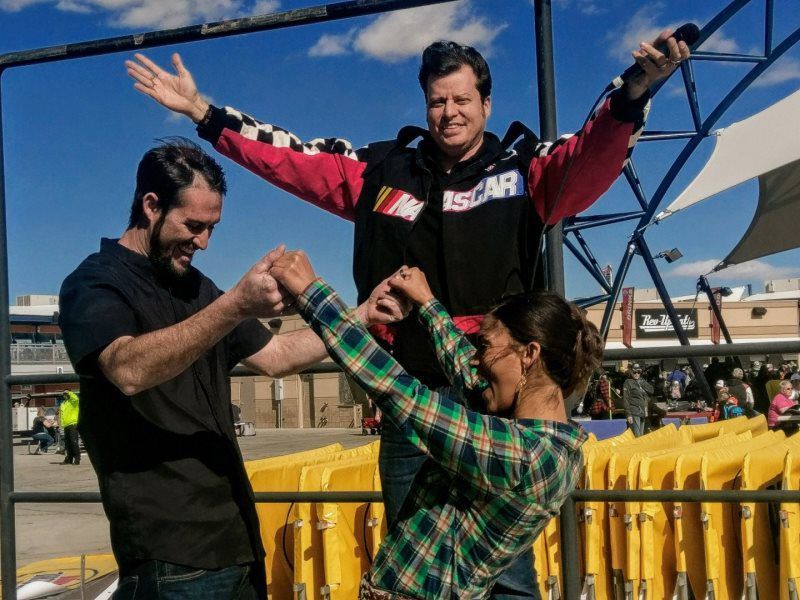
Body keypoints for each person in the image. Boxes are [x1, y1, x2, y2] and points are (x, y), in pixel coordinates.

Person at [126, 34, 688, 596]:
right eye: (438, 102)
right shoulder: (381, 170)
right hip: (412, 385)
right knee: (414, 550)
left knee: (505, 573)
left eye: (462, 100)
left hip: (493, 396)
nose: (449, 114)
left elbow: (591, 151)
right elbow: (290, 156)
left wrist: (634, 90)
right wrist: (203, 113)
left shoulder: (524, 167)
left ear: (487, 105)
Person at [58, 139, 404, 599]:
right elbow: (127, 369)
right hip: (168, 550)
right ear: (151, 205)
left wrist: (359, 315)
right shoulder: (96, 283)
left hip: (236, 535)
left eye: (212, 228)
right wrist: (235, 305)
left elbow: (277, 355)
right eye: (193, 225)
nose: (203, 242)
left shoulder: (196, 288)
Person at [268, 251, 602, 599]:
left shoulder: (525, 456)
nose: (475, 357)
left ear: (529, 354)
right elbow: (465, 368)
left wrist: (312, 293)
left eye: (484, 345)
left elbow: (403, 395)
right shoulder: (540, 439)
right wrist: (427, 303)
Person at [623, 364, 653, 436]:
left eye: (638, 372)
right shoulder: (628, 382)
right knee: (637, 435)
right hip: (634, 410)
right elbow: (625, 398)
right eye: (634, 372)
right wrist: (628, 414)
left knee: (641, 435)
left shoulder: (642, 381)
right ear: (631, 373)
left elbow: (652, 390)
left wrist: (642, 383)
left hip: (643, 411)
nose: (636, 374)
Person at [59, 390, 81, 465]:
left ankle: (77, 459)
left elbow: (76, 398)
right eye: (64, 394)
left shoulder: (73, 402)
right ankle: (69, 458)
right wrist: (61, 424)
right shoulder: (63, 404)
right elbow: (61, 415)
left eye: (66, 394)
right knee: (67, 443)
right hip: (66, 425)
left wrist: (70, 392)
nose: (64, 395)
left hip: (73, 424)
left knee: (73, 442)